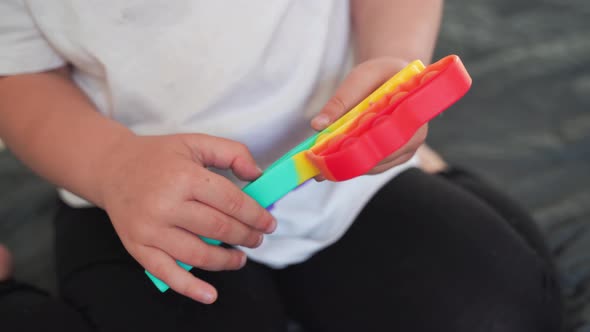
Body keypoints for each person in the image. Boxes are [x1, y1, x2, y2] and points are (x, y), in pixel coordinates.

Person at [0, 1, 563, 331]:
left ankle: (437, 178)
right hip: (135, 202)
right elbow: (17, 74)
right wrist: (112, 167)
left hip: (345, 175)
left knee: (502, 312)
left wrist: (392, 60)